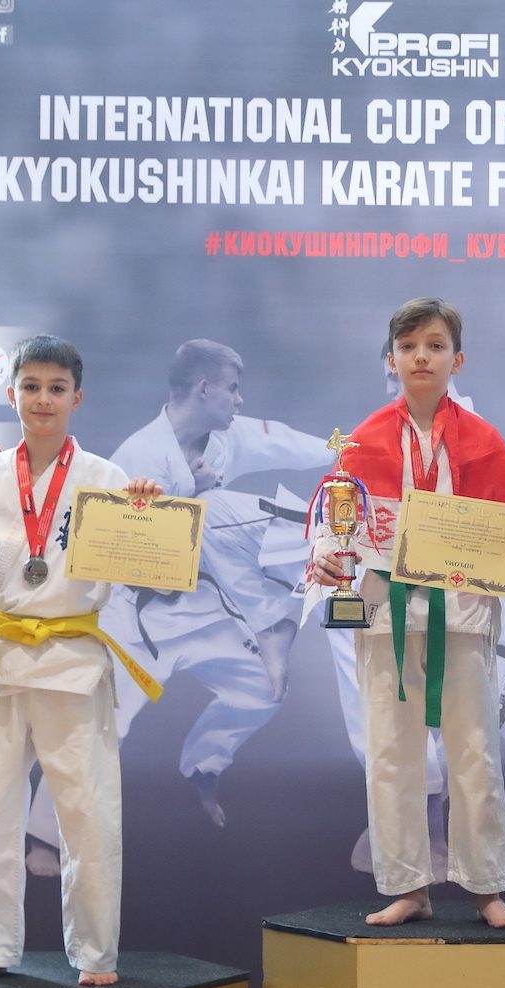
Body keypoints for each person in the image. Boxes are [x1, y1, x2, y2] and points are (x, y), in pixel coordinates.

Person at [0, 335, 162, 988]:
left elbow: (140, 573)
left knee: (88, 813)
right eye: (30, 386)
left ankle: (95, 953)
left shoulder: (109, 479)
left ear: (76, 398)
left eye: (56, 388)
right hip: (1, 660)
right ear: (11, 394)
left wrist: (146, 514)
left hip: (72, 660)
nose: (42, 399)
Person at [308, 297, 505, 928]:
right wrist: (328, 560)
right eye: (409, 347)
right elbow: (332, 523)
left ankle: (487, 886)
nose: (421, 357)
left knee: (474, 750)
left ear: (457, 360)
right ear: (390, 359)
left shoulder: (483, 439)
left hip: (461, 614)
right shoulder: (362, 438)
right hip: (385, 614)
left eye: (435, 346)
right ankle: (407, 885)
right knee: (391, 752)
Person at [102, 339, 333, 825]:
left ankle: (202, 767)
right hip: (136, 617)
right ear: (204, 389)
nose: (240, 399)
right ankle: (45, 839)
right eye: (232, 388)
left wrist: (352, 447)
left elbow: (286, 441)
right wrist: (190, 490)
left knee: (263, 688)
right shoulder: (137, 456)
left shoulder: (228, 435)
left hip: (203, 607)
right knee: (102, 724)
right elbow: (122, 556)